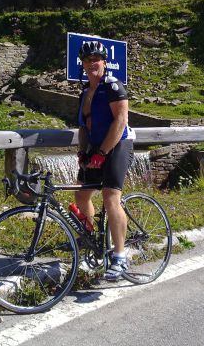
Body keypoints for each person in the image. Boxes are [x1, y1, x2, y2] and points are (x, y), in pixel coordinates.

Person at [75, 40, 135, 281]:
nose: (91, 64)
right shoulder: (84, 93)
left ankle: (120, 257)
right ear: (82, 64)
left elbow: (120, 121)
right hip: (97, 146)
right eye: (87, 60)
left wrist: (102, 153)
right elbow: (83, 127)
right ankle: (92, 239)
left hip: (119, 143)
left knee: (111, 197)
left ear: (104, 61)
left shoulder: (112, 85)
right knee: (81, 195)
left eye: (95, 59)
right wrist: (83, 152)